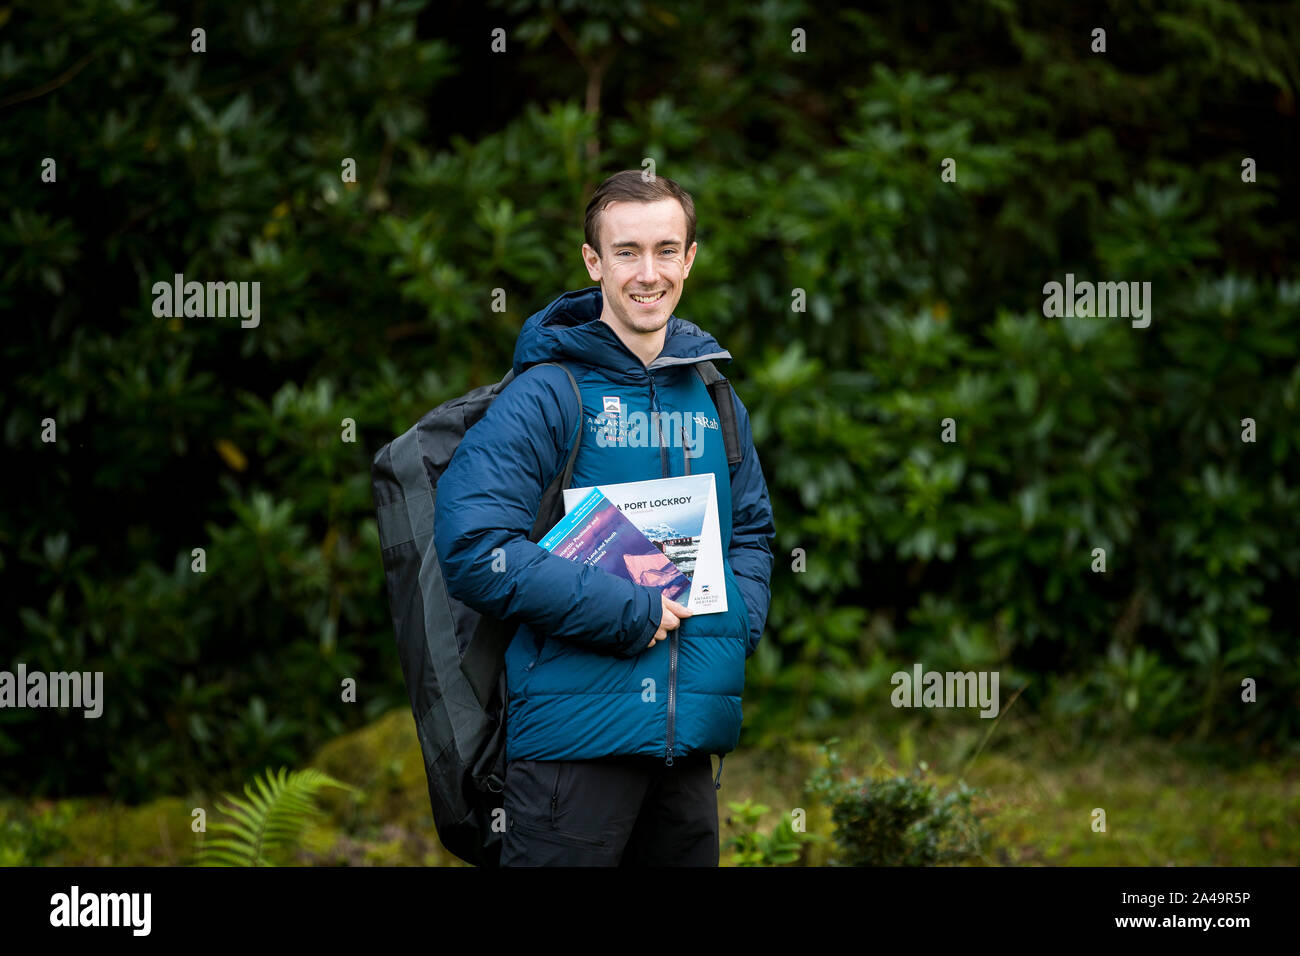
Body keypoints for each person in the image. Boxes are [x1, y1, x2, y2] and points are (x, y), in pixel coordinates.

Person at [433, 170, 776, 866]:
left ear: (690, 259)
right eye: (627, 252)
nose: (648, 274)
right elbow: (474, 547)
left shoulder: (713, 394)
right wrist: (629, 610)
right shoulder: (547, 393)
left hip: (688, 749)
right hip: (570, 755)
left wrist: (736, 623)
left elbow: (753, 534)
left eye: (665, 250)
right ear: (594, 263)